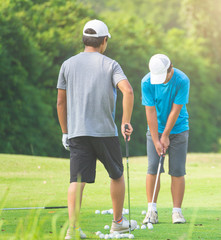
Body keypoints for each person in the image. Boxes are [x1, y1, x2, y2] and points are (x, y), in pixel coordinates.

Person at [56, 19, 135, 239]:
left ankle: (72, 230)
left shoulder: (67, 64)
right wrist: (125, 121)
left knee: (77, 180)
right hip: (105, 132)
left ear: (84, 40)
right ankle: (118, 223)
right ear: (104, 40)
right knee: (117, 176)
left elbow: (60, 103)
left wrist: (65, 131)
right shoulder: (111, 64)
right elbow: (127, 91)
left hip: (77, 132)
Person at [141, 54, 190, 224]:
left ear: (171, 69)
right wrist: (156, 139)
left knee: (177, 170)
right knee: (153, 168)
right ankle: (151, 211)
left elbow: (176, 110)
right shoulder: (147, 82)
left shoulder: (182, 80)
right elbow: (150, 111)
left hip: (179, 128)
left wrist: (166, 135)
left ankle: (177, 212)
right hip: (155, 129)